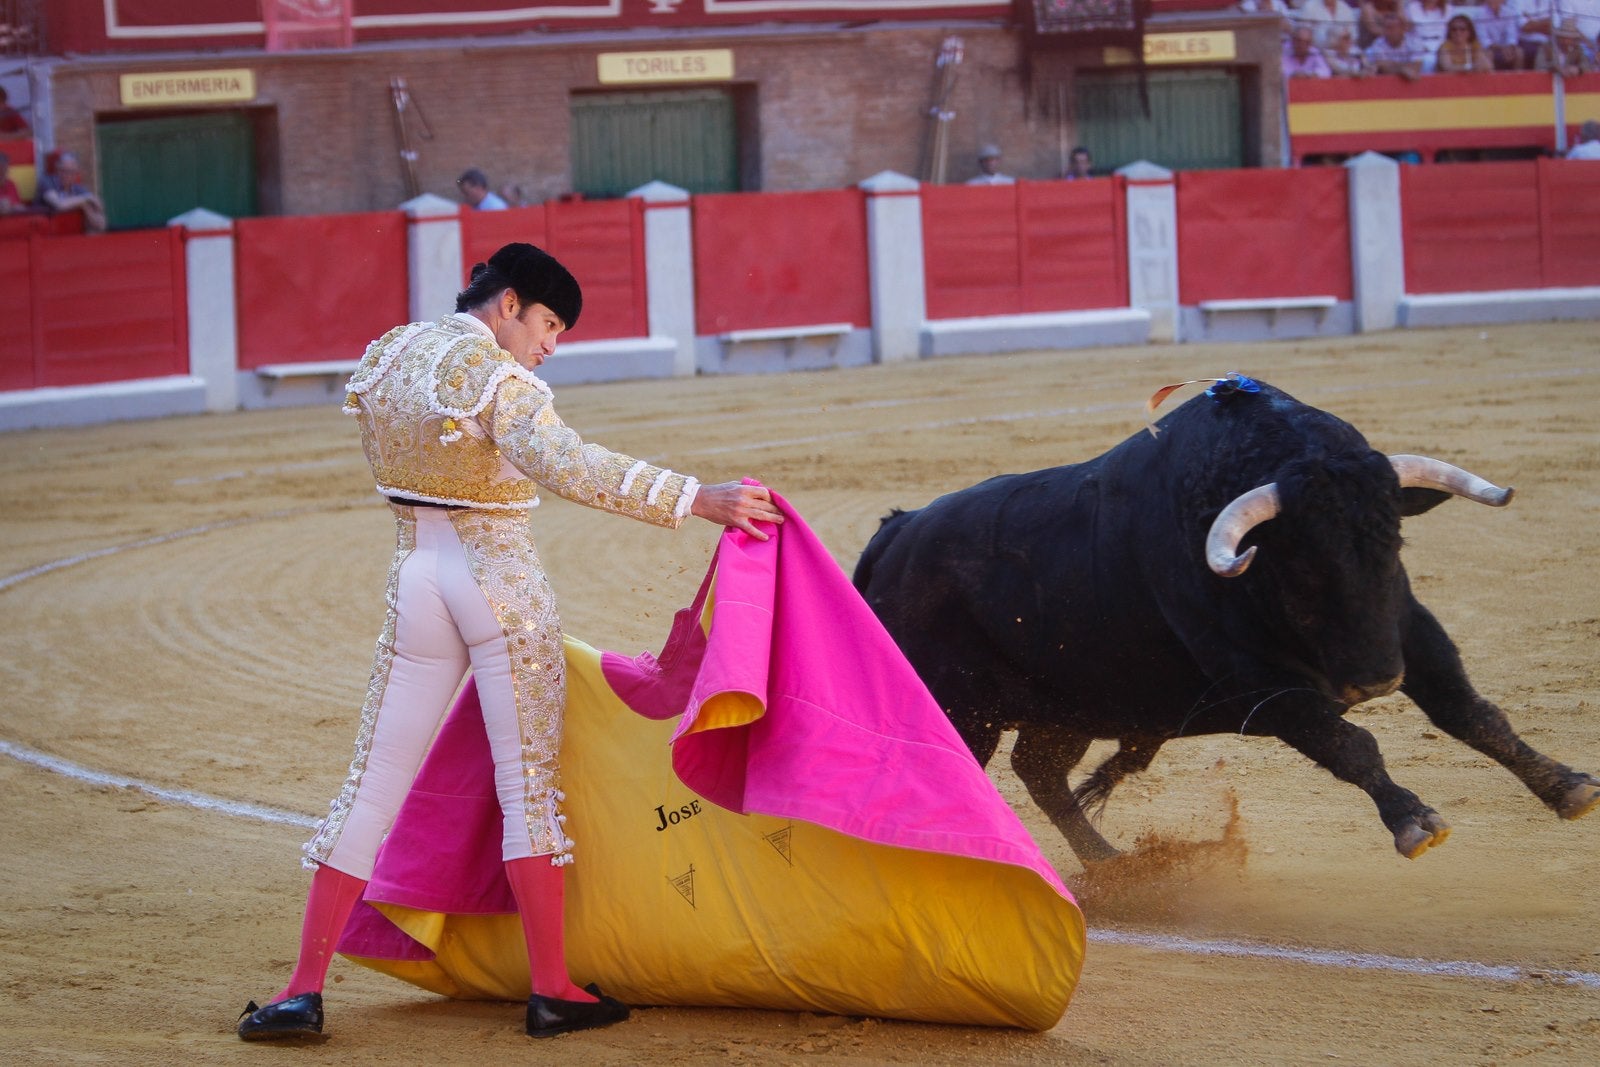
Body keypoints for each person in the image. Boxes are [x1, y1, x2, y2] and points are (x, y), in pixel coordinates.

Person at [235, 242, 784, 1043]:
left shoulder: (391, 354)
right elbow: (566, 462)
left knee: (371, 782)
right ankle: (552, 987)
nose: (549, 345)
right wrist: (697, 497)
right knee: (528, 786)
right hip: (499, 585)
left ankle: (301, 992)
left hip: (416, 577)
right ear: (508, 304)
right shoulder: (498, 377)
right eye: (548, 323)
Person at [34, 150, 106, 233]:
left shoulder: (78, 189)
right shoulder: (46, 181)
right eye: (62, 170)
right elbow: (60, 204)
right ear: (57, 170)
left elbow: (101, 224)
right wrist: (83, 202)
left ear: (76, 173)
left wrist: (87, 207)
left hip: (72, 235)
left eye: (71, 172)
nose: (66, 175)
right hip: (45, 234)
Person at [1365, 13, 1427, 78]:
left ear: (1402, 29)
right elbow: (1384, 68)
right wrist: (1402, 69)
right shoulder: (1378, 44)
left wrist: (1393, 65)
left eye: (1392, 28)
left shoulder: (1414, 41)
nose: (1387, 31)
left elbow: (1416, 67)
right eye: (1386, 28)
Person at [1470, 0, 1528, 69]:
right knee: (1488, 54)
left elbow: (1511, 35)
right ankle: (1491, 79)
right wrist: (1502, 48)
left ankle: (1518, 79)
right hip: (1489, 48)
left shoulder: (1509, 12)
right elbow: (1484, 40)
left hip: (1506, 47)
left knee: (1519, 52)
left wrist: (1510, 47)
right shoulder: (1479, 15)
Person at [1535, 17, 1599, 74]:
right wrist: (1555, 67)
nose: (1566, 41)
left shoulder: (1577, 49)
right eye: (1563, 38)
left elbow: (1586, 65)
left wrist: (1578, 69)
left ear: (1574, 40)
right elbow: (1539, 65)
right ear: (1558, 37)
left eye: (1569, 38)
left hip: (1570, 84)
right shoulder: (1546, 47)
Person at [1294, 0, 1361, 49]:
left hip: (1342, 54)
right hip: (1317, 53)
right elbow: (1302, 35)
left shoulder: (1346, 9)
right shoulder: (1309, 7)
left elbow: (1354, 36)